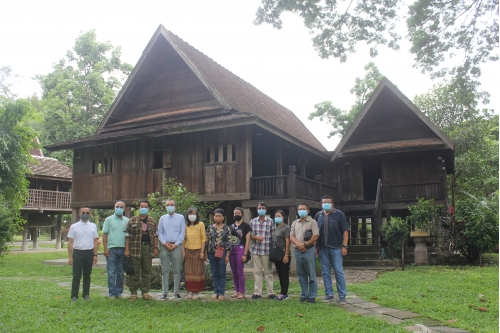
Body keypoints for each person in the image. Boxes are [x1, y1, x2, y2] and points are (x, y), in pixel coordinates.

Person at [315, 195, 350, 304]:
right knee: (325, 272)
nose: (326, 204)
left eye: (328, 202)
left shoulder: (339, 214)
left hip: (336, 248)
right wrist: (316, 247)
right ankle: (329, 294)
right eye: (324, 202)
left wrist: (345, 246)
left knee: (338, 271)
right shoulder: (318, 215)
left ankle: (342, 295)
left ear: (332, 204)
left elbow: (345, 230)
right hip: (322, 248)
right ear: (321, 204)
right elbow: (316, 233)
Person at [124, 200, 158, 302]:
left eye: (145, 207)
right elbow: (127, 236)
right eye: (141, 206)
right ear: (138, 208)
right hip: (135, 249)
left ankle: (145, 292)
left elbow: (155, 235)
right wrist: (127, 249)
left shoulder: (152, 221)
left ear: (148, 208)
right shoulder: (132, 220)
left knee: (146, 271)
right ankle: (133, 293)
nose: (143, 208)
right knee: (134, 271)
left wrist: (155, 248)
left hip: (147, 249)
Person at [67, 206, 99, 302]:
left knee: (87, 275)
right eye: (83, 213)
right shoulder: (74, 227)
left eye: (87, 213)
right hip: (78, 253)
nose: (85, 215)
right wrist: (70, 257)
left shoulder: (93, 226)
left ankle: (86, 294)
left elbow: (95, 241)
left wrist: (95, 255)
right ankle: (74, 296)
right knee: (76, 275)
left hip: (89, 252)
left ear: (90, 214)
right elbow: (70, 242)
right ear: (79, 214)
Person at [290, 202, 319, 303]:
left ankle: (312, 295)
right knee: (301, 274)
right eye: (299, 209)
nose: (301, 211)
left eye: (303, 209)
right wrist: (299, 244)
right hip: (298, 250)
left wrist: (305, 245)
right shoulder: (294, 223)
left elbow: (315, 235)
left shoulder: (313, 222)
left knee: (311, 273)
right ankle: (304, 294)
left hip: (309, 250)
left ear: (308, 211)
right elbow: (291, 235)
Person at [158, 199, 186, 300]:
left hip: (176, 246)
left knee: (176, 270)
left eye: (171, 205)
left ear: (175, 207)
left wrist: (176, 244)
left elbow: (182, 232)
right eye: (167, 205)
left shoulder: (180, 217)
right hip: (165, 246)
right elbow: (159, 232)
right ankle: (164, 292)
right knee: (165, 270)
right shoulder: (162, 218)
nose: (169, 206)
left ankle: (176, 292)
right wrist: (165, 243)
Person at [102, 200, 129, 300]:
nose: (119, 209)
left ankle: (119, 292)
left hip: (122, 250)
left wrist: (127, 249)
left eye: (121, 207)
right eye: (117, 207)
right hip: (111, 250)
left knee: (120, 273)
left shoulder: (127, 221)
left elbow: (128, 237)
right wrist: (105, 248)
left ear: (124, 209)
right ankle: (111, 294)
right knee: (111, 273)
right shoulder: (108, 220)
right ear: (114, 208)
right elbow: (104, 234)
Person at [249, 202, 276, 299]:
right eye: (259, 208)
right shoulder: (252, 221)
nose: (261, 209)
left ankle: (270, 292)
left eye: (263, 208)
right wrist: (256, 238)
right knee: (257, 271)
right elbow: (250, 236)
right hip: (256, 250)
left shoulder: (271, 221)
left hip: (267, 250)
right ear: (257, 209)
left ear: (266, 210)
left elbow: (273, 236)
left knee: (268, 271)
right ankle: (257, 292)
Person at [205, 208, 232, 300]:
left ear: (223, 217)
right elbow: (207, 241)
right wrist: (205, 253)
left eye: (220, 216)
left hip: (222, 253)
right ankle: (215, 291)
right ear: (213, 217)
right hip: (211, 253)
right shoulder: (210, 227)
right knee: (214, 273)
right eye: (216, 216)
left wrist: (227, 255)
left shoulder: (226, 228)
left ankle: (221, 292)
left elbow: (229, 242)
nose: (218, 218)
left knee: (222, 273)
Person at [181, 208, 206, 300]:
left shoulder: (201, 224)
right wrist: (183, 251)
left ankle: (196, 291)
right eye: (190, 213)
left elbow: (203, 239)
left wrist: (202, 251)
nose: (192, 215)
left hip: (198, 250)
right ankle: (190, 291)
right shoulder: (185, 226)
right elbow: (183, 240)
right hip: (188, 251)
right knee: (189, 272)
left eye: (194, 214)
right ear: (187, 215)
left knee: (197, 272)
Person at [228, 207, 252, 299]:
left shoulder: (246, 226)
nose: (236, 215)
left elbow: (247, 240)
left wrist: (245, 254)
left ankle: (242, 291)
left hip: (240, 249)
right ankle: (236, 291)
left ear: (242, 214)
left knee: (239, 272)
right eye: (235, 213)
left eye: (238, 213)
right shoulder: (231, 226)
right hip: (232, 249)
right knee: (233, 272)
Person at [271, 210, 291, 301]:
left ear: (283, 217)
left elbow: (288, 242)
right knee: (279, 274)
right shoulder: (275, 228)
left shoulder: (286, 228)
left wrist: (286, 254)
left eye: (279, 216)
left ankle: (285, 293)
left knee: (284, 274)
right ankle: (281, 292)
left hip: (284, 254)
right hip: (277, 254)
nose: (277, 217)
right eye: (276, 216)